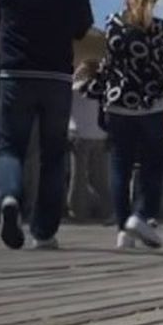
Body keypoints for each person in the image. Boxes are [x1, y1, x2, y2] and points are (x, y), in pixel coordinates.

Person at [0, 0, 94, 249]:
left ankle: (9, 198)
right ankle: (44, 231)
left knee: (11, 146)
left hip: (15, 76)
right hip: (55, 79)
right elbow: (80, 30)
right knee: (53, 155)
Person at [93, 0, 163, 249]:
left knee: (120, 167)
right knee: (152, 169)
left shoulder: (112, 24)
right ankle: (141, 216)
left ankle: (123, 230)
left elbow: (107, 65)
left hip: (119, 105)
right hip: (153, 108)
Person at [67, 59, 105, 220]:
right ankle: (107, 209)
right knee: (100, 176)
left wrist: (75, 75)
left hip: (79, 135)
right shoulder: (101, 89)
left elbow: (64, 91)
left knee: (78, 177)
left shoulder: (76, 87)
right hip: (99, 135)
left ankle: (78, 211)